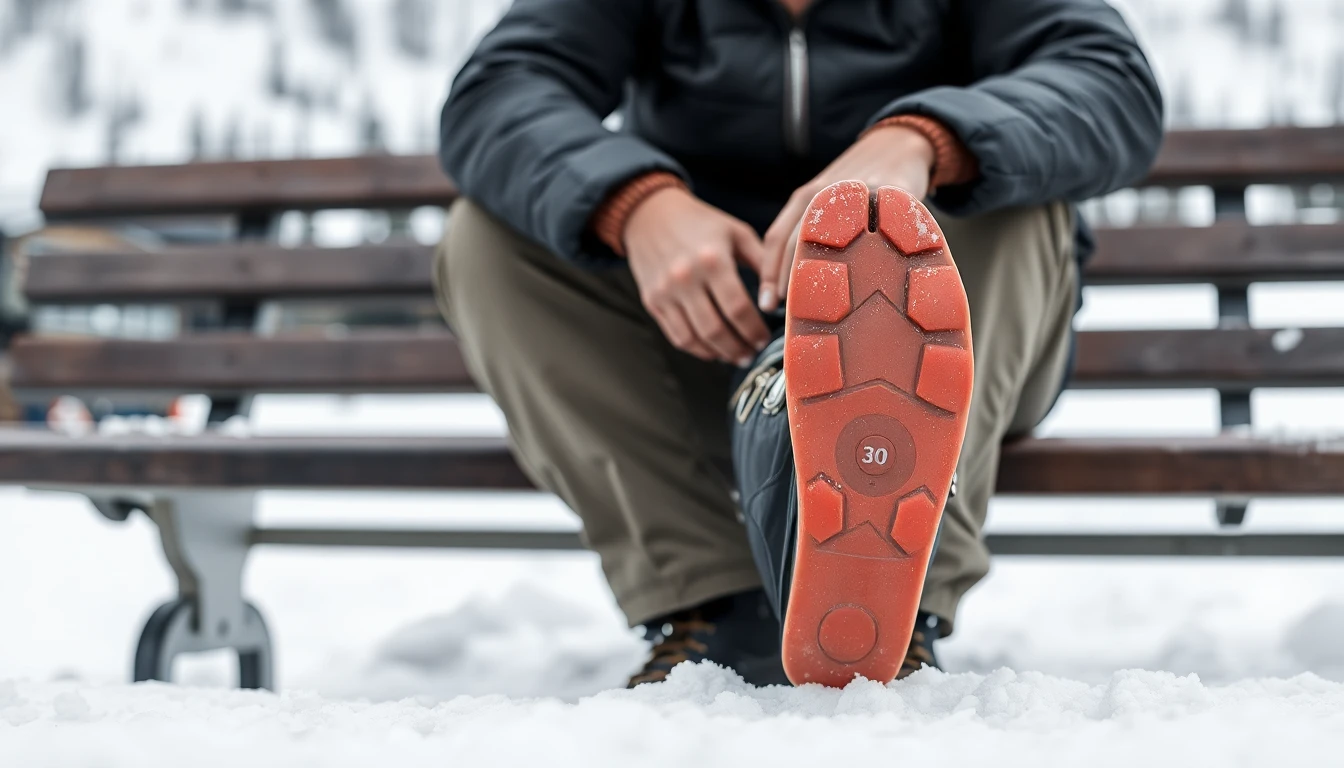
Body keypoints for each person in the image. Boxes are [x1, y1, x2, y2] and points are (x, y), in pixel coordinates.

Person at [435, 0, 1163, 687]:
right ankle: (713, 602)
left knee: (1016, 198)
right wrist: (636, 206)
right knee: (486, 242)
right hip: (710, 340)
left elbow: (1109, 79)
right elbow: (498, 92)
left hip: (964, 351)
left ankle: (895, 601)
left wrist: (921, 140)